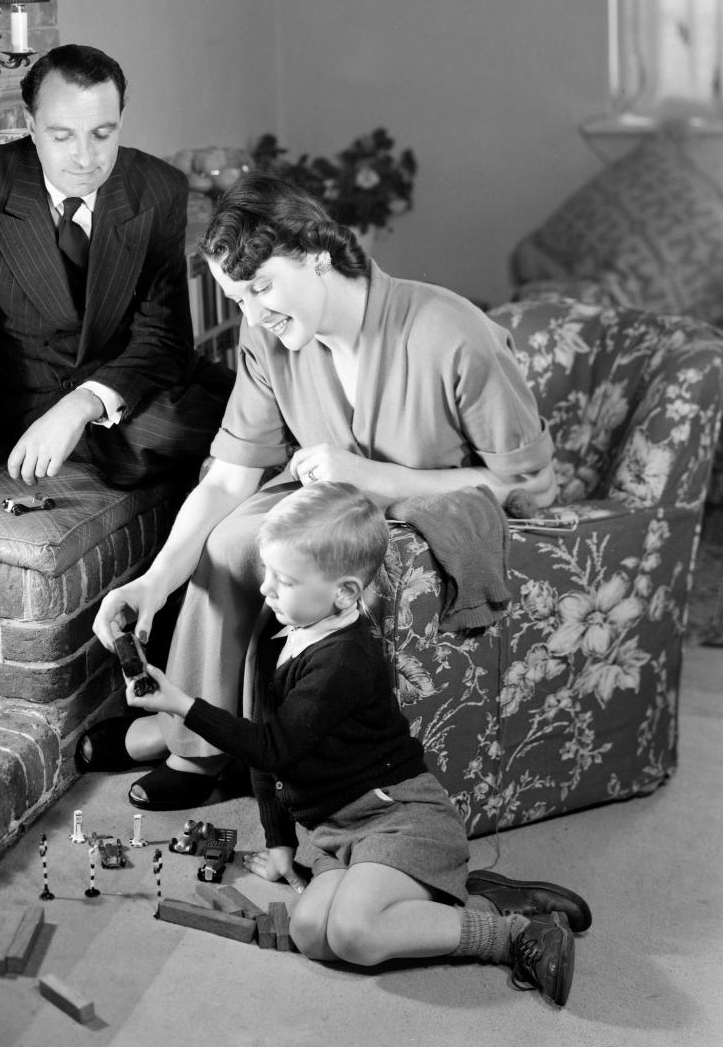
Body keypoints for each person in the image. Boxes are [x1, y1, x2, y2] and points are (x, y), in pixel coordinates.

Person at [89, 172, 556, 809]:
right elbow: (230, 474)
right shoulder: (267, 340)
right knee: (230, 541)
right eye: (237, 300)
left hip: (420, 511)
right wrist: (154, 581)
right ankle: (196, 749)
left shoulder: (450, 331)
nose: (251, 315)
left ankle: (184, 738)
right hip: (328, 498)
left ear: (317, 256)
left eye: (261, 288)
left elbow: (532, 484)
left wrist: (372, 477)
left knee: (305, 562)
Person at [125, 482, 590, 1006]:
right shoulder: (281, 635)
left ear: (344, 593)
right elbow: (267, 760)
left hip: (398, 818)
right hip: (334, 834)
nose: (266, 592)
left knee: (354, 934)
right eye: (267, 575)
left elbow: (272, 748)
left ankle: (511, 933)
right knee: (311, 934)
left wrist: (182, 705)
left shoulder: (343, 660)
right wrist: (281, 846)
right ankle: (466, 894)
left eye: (285, 581)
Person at [0, 43, 233, 551]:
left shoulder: (159, 187)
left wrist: (83, 403)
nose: (85, 157)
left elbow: (164, 333)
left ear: (121, 120)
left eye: (103, 133)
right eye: (62, 135)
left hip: (133, 376)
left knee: (265, 398)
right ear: (30, 125)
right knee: (171, 430)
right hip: (36, 397)